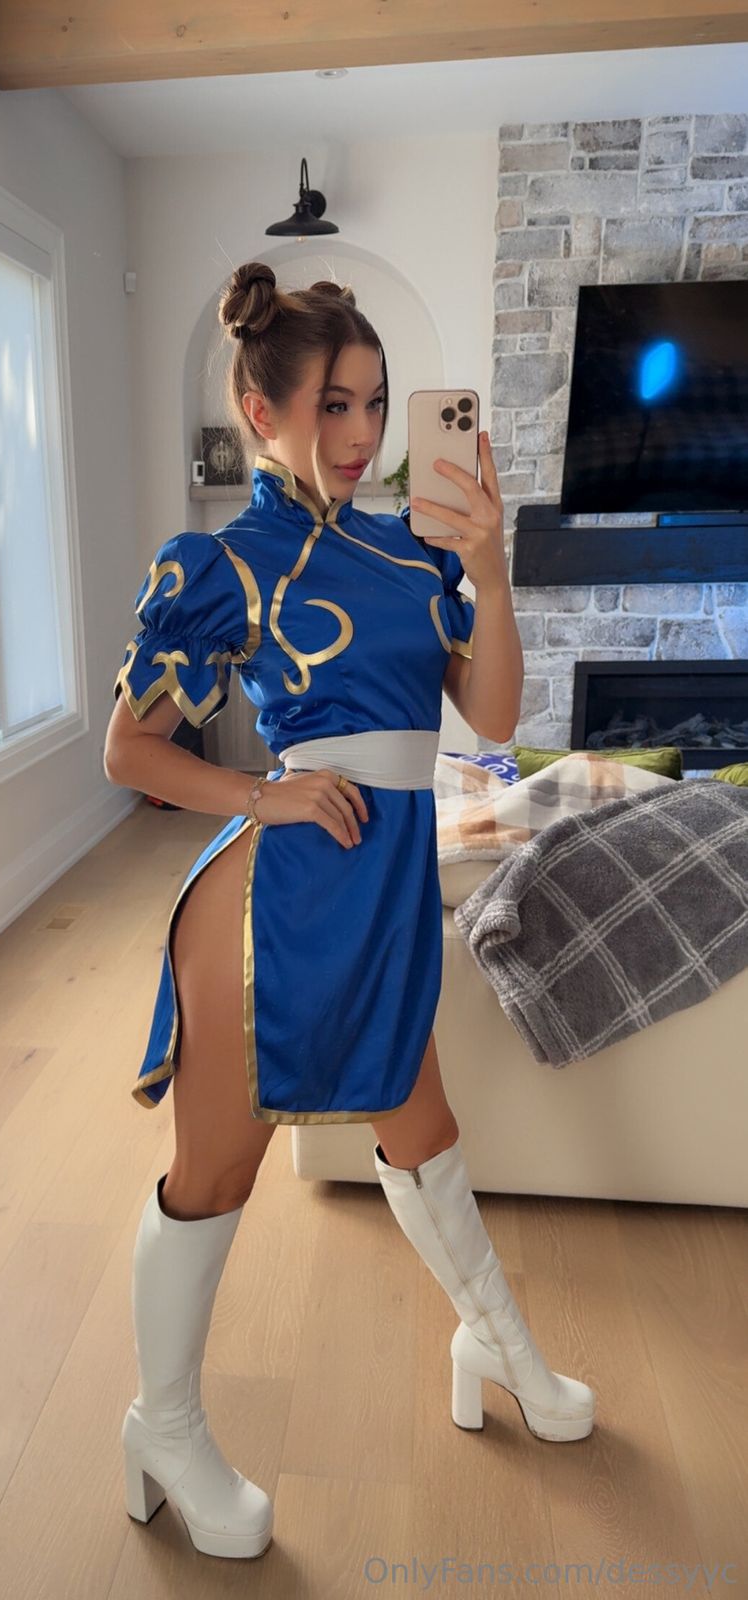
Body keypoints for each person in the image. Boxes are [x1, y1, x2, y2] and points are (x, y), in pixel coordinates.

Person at [104, 263, 596, 1560]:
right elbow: (129, 750)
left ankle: (498, 1350)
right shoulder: (225, 560)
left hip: (383, 890)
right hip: (270, 909)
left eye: (377, 403)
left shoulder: (414, 548)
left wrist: (491, 570)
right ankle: (162, 1425)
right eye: (335, 404)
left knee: (423, 1129)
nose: (365, 433)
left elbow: (493, 718)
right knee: (216, 1175)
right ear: (260, 410)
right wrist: (261, 794)